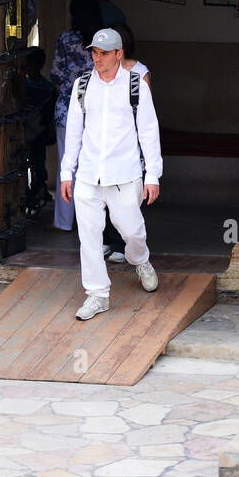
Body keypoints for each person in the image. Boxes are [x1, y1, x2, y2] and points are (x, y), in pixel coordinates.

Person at [59, 27, 163, 320]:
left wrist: (153, 174)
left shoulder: (134, 84)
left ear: (119, 54)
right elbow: (74, 133)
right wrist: (67, 171)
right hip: (89, 176)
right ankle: (97, 294)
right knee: (89, 237)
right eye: (94, 52)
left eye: (104, 53)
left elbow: (148, 131)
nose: (98, 58)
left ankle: (140, 259)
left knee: (131, 230)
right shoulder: (82, 85)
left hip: (125, 173)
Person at [49, 0, 103, 231]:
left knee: (67, 164)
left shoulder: (66, 39)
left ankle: (63, 223)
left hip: (69, 108)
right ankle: (92, 223)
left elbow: (57, 75)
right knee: (97, 166)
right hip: (99, 110)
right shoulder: (104, 40)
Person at [102, 21, 152, 263]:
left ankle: (129, 248)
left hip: (131, 146)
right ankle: (109, 241)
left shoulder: (140, 73)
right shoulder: (99, 73)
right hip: (105, 145)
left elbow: (146, 117)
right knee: (104, 193)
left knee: (128, 201)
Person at [22, 48, 56, 214]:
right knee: (35, 160)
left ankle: (39, 186)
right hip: (34, 130)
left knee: (37, 161)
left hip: (35, 130)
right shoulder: (47, 87)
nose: (29, 69)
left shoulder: (30, 86)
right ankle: (37, 187)